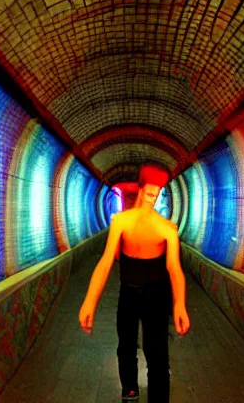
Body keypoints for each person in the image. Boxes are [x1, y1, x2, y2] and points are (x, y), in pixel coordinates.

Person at [79, 165, 190, 402]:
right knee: (126, 346)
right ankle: (129, 390)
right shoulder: (120, 221)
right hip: (128, 292)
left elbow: (174, 268)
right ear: (140, 186)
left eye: (158, 189)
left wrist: (179, 304)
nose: (154, 193)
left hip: (157, 295)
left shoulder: (168, 229)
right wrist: (90, 301)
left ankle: (158, 397)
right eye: (151, 187)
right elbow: (106, 261)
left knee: (157, 353)